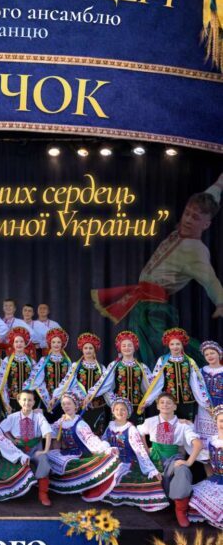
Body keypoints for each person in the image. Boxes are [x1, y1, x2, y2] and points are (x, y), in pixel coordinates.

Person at [92, 174, 223, 366]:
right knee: (140, 345)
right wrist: (219, 183)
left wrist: (220, 302)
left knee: (165, 344)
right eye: (187, 213)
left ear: (206, 224)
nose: (188, 219)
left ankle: (210, 362)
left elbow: (210, 279)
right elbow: (209, 197)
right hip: (142, 303)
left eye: (195, 218)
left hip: (156, 307)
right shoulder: (179, 233)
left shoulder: (196, 250)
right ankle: (145, 377)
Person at [137, 392, 204, 527]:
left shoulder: (182, 425)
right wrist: (146, 450)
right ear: (157, 406)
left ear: (175, 406)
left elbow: (198, 444)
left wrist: (189, 462)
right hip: (155, 457)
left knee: (183, 470)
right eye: (162, 402)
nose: (165, 405)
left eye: (169, 402)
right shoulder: (151, 421)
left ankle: (180, 510)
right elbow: (139, 432)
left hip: (173, 458)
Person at [47, 391, 121, 502]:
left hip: (81, 454)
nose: (66, 406)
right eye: (64, 404)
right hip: (68, 452)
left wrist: (106, 449)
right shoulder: (61, 421)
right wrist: (39, 419)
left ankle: (80, 484)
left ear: (75, 406)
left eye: (69, 403)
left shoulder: (80, 424)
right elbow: (49, 430)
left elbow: (90, 439)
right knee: (50, 456)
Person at [100, 397, 168, 511]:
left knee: (116, 474)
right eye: (117, 409)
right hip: (111, 460)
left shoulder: (131, 429)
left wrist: (151, 469)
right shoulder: (110, 426)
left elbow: (139, 449)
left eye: (123, 409)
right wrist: (106, 447)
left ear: (128, 413)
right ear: (113, 412)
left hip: (126, 462)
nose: (120, 412)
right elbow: (103, 441)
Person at [137, 328, 211, 421]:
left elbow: (196, 383)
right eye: (172, 344)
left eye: (178, 344)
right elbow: (156, 382)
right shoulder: (163, 361)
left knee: (186, 425)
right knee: (168, 426)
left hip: (186, 402)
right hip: (168, 403)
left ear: (182, 345)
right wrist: (147, 401)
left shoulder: (189, 361)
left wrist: (205, 403)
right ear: (168, 345)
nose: (175, 347)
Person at [84, 330, 152, 426]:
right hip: (119, 408)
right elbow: (104, 383)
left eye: (129, 345)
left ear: (134, 347)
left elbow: (150, 386)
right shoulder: (114, 365)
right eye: (124, 346)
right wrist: (92, 394)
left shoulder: (142, 366)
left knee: (137, 431)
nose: (127, 348)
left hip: (137, 406)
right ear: (120, 348)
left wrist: (147, 401)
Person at [0, 390, 53, 506]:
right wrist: (12, 440)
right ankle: (13, 491)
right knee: (9, 461)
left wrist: (45, 450)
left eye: (30, 400)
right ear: (19, 401)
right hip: (19, 450)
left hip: (35, 450)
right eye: (24, 399)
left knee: (44, 459)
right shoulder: (13, 417)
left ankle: (43, 493)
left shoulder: (38, 417)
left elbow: (48, 432)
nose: (27, 402)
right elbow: (2, 429)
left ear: (34, 402)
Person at [53, 333, 107, 435]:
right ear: (82, 350)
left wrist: (91, 395)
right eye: (85, 348)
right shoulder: (76, 366)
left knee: (95, 432)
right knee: (79, 432)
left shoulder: (101, 367)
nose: (88, 350)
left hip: (96, 406)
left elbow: (104, 386)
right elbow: (66, 382)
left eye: (90, 348)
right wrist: (55, 396)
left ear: (94, 350)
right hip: (79, 405)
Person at [189, 404, 223, 529]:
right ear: (216, 422)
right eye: (221, 421)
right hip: (215, 478)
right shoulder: (211, 440)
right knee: (195, 493)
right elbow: (206, 459)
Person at [25, 328, 70, 416]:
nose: (56, 344)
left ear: (62, 344)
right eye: (53, 342)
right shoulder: (44, 360)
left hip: (62, 397)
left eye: (58, 342)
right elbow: (37, 378)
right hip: (47, 397)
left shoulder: (67, 361)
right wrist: (26, 389)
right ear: (50, 344)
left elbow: (69, 380)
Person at [0, 328, 35, 413]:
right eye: (16, 342)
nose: (19, 344)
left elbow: (35, 381)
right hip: (12, 400)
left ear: (25, 344)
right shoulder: (7, 360)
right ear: (13, 344)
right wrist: (6, 402)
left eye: (21, 341)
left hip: (28, 401)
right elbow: (2, 382)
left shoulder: (31, 362)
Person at [194, 340, 223, 454]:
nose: (209, 356)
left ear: (219, 353)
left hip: (221, 407)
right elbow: (197, 390)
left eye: (212, 353)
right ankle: (207, 464)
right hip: (205, 408)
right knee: (205, 439)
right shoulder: (201, 371)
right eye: (206, 354)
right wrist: (206, 406)